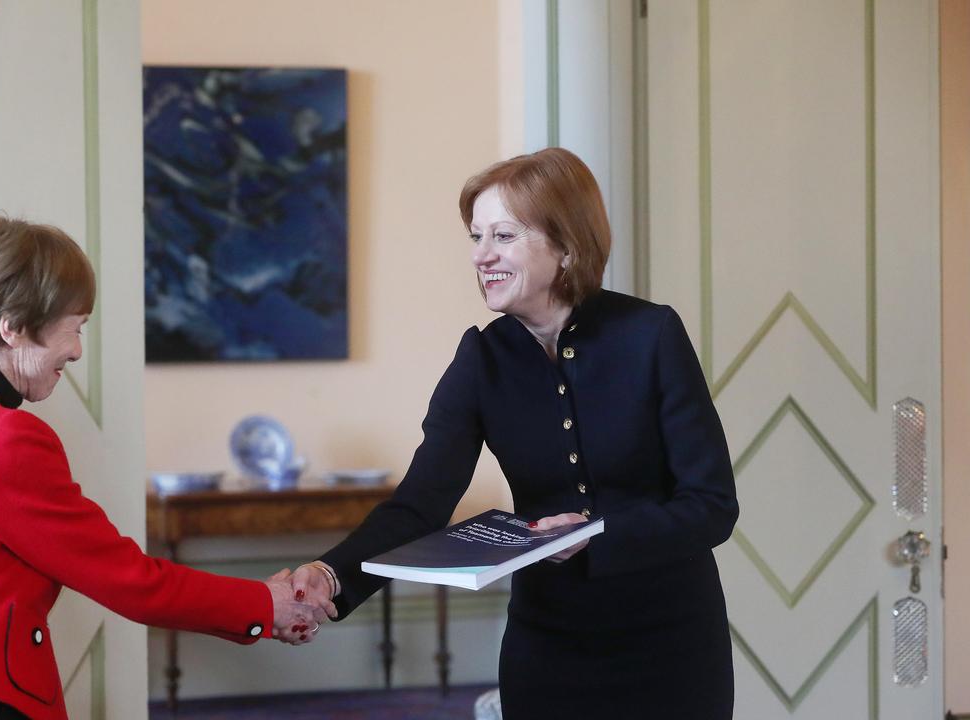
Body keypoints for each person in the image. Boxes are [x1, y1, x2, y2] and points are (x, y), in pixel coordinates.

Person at [289, 148, 739, 718]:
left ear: (567, 244)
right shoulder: (481, 358)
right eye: (476, 238)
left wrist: (596, 533)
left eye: (502, 236)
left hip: (671, 647)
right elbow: (420, 504)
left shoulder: (651, 336)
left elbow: (712, 506)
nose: (482, 256)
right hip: (548, 648)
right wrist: (329, 576)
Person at [0, 214, 329, 720]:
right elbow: (129, 580)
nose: (76, 351)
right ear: (12, 326)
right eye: (72, 328)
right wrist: (264, 604)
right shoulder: (4, 438)